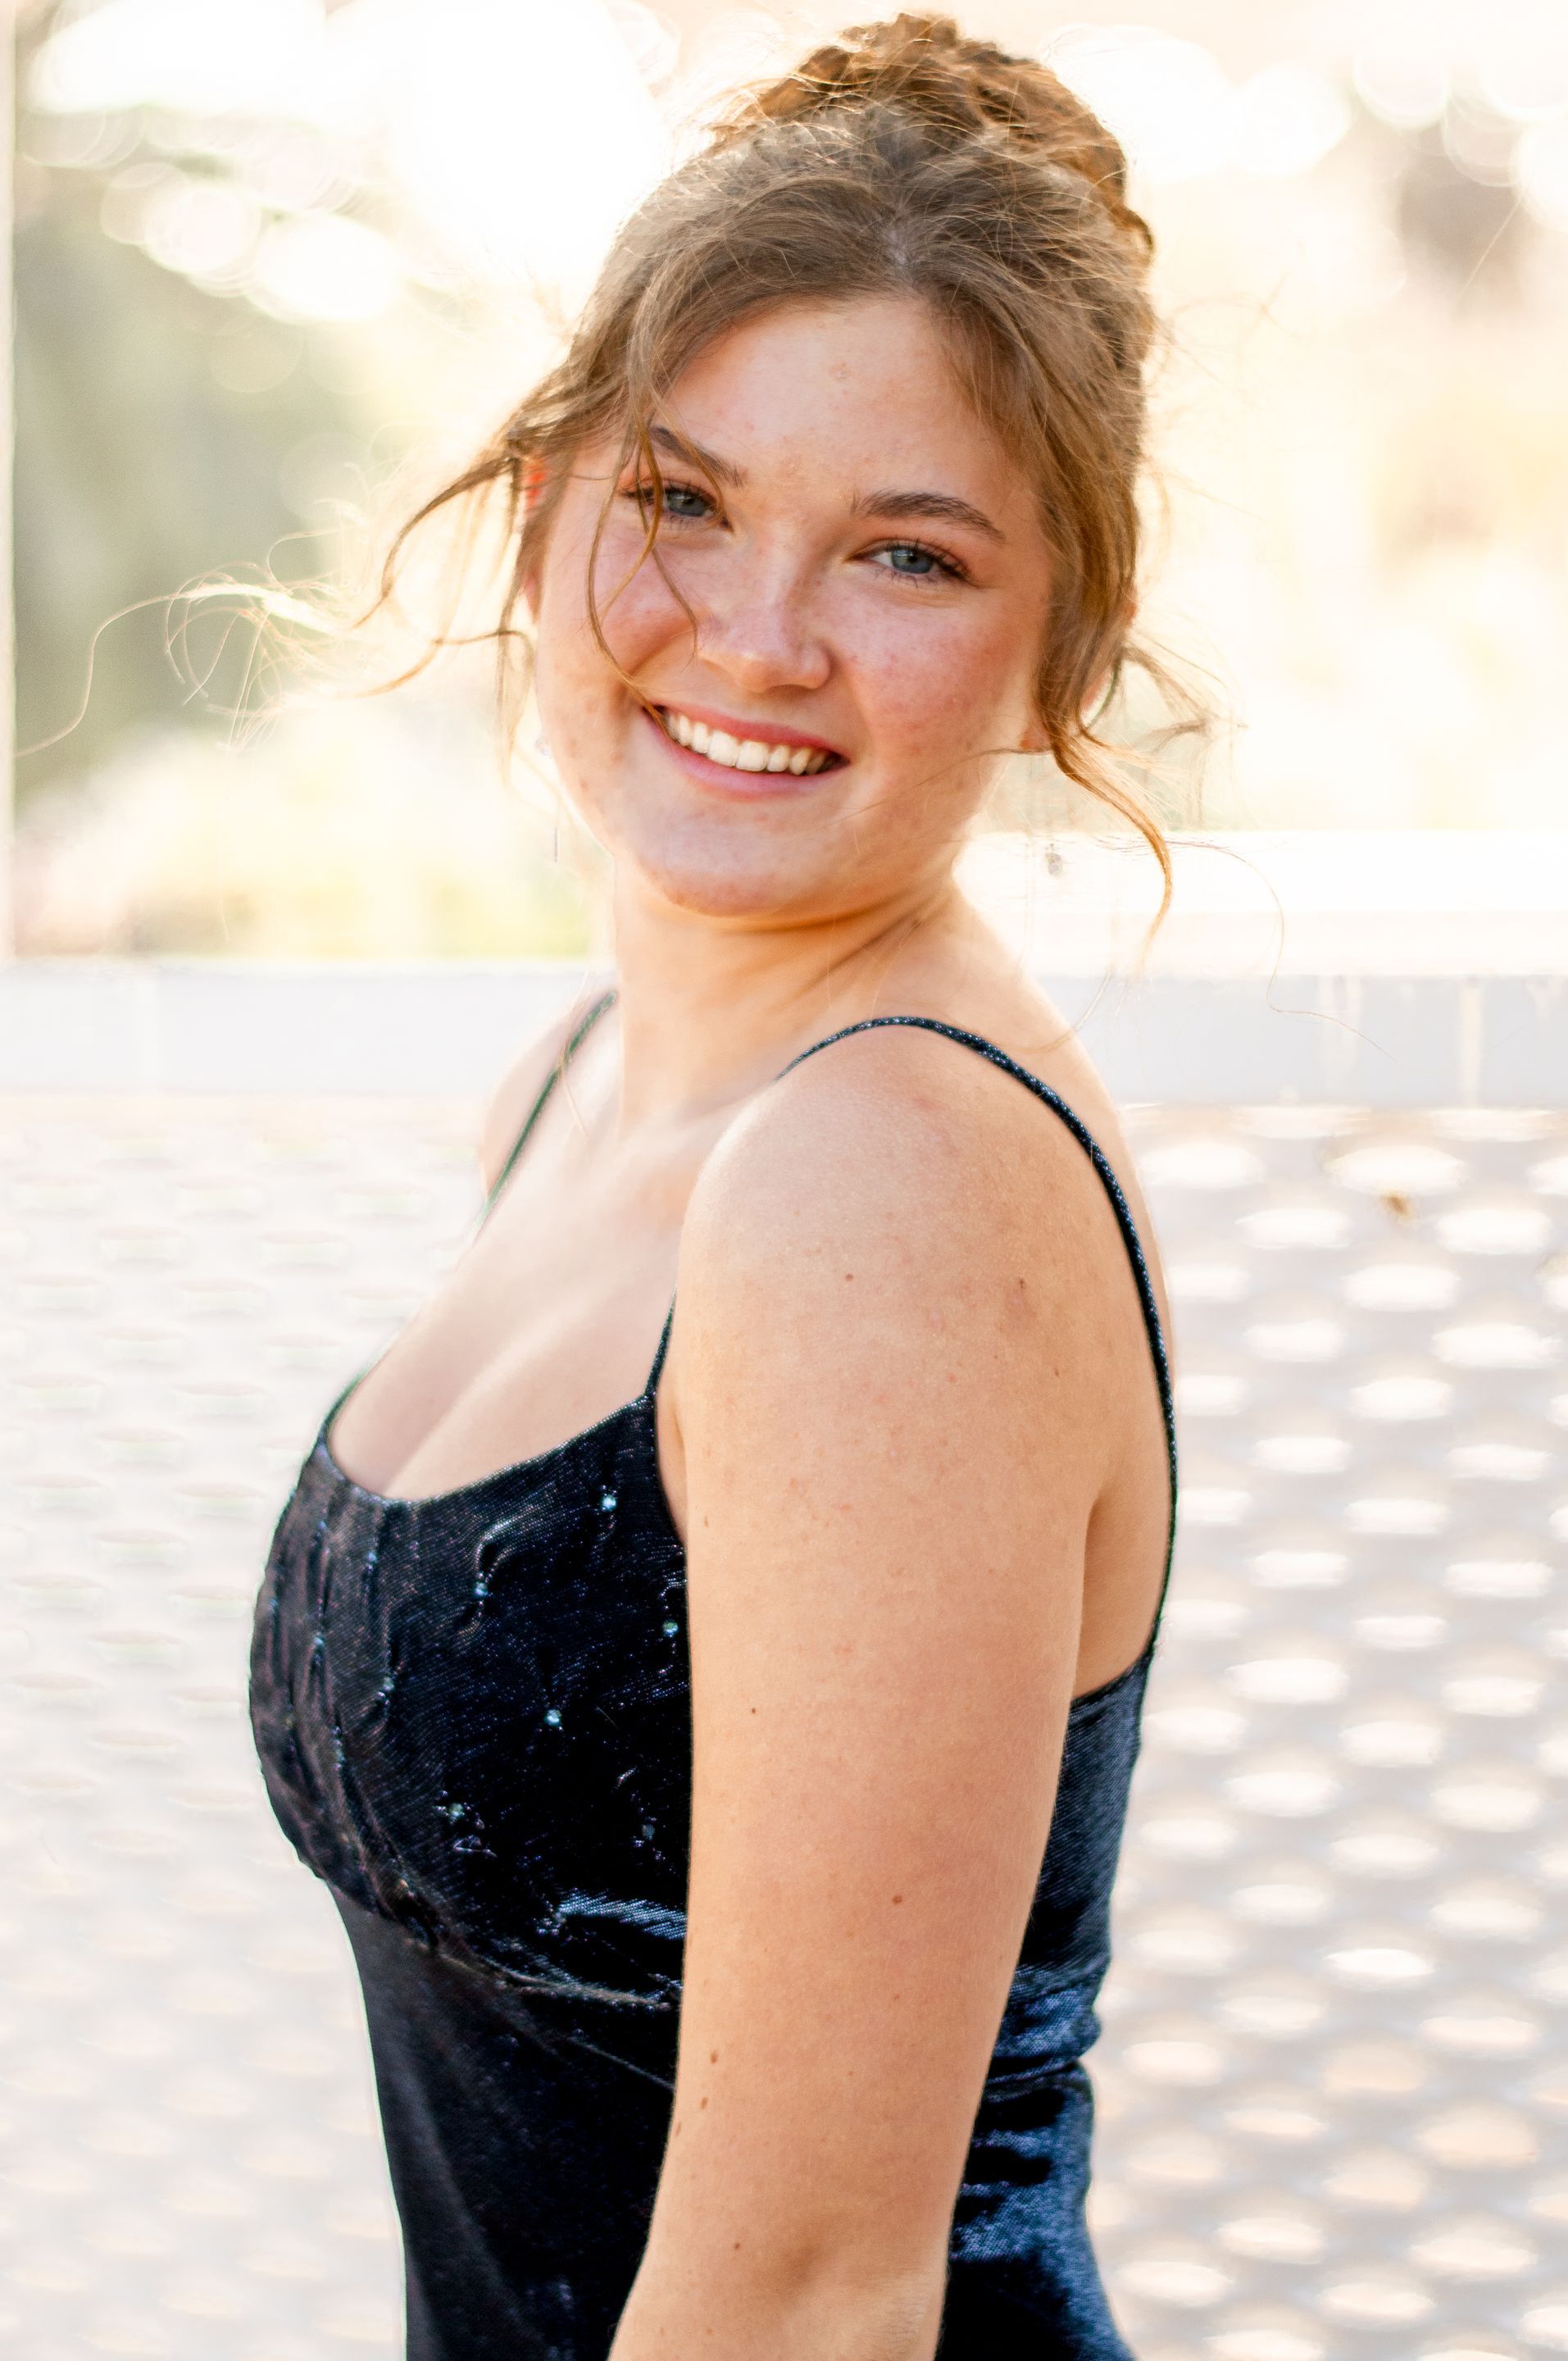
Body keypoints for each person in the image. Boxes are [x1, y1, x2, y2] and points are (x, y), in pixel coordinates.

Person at [250, 16, 1184, 2358]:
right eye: (685, 498)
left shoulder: (890, 1184)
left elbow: (805, 2296)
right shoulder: (584, 1089)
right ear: (549, 493)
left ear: (1055, 639)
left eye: (905, 551)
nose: (759, 638)